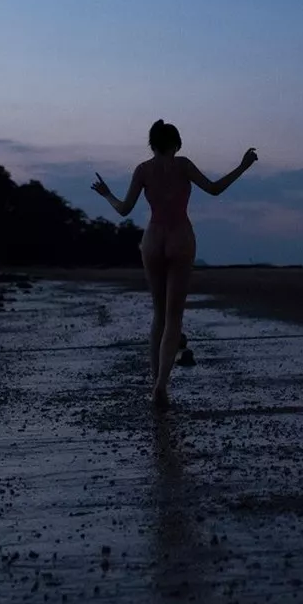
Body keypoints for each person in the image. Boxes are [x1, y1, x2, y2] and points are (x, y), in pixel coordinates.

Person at [92, 119, 257, 409]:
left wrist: (106, 193)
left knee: (159, 315)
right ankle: (161, 386)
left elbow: (124, 210)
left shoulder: (143, 170)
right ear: (176, 143)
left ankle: (155, 382)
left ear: (153, 144)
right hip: (181, 237)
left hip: (153, 239)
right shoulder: (183, 165)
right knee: (174, 317)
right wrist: (243, 166)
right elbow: (215, 189)